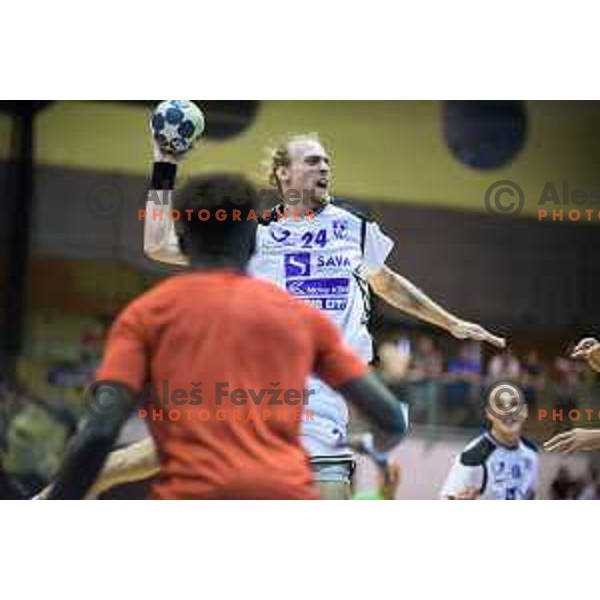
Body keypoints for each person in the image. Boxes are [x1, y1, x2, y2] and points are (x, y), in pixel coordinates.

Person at [137, 130, 506, 499]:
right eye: (313, 161)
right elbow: (157, 244)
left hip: (324, 408)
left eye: (327, 161)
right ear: (283, 173)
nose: (325, 167)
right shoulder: (256, 235)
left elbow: (388, 284)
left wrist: (451, 323)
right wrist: (165, 165)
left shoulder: (353, 227)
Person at [45, 173, 409, 500]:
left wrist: (165, 166)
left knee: (115, 465)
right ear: (252, 240)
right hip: (285, 482)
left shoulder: (146, 314)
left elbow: (98, 432)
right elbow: (391, 419)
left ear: (185, 242)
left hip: (197, 478)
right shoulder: (303, 318)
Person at [440, 393, 538, 500]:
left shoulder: (531, 451)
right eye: (500, 407)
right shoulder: (474, 456)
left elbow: (529, 493)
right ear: (490, 413)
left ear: (524, 411)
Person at [544, 337, 600, 453]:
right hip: (562, 393)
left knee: (570, 416)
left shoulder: (577, 366)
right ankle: (557, 430)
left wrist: (595, 437)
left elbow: (582, 374)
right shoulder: (562, 363)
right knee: (559, 416)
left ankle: (567, 429)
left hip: (572, 393)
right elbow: (557, 371)